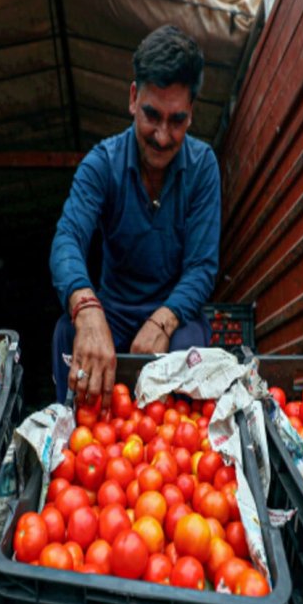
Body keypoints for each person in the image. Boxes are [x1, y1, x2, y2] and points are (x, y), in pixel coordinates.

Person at [50, 24, 221, 411]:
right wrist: (88, 310)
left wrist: (163, 320)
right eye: (151, 115)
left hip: (174, 312)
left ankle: (181, 457)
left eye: (176, 120)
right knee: (67, 332)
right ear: (132, 98)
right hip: (113, 311)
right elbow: (67, 239)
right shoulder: (101, 164)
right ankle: (71, 441)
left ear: (191, 115)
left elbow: (201, 267)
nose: (162, 136)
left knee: (187, 349)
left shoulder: (203, 167)